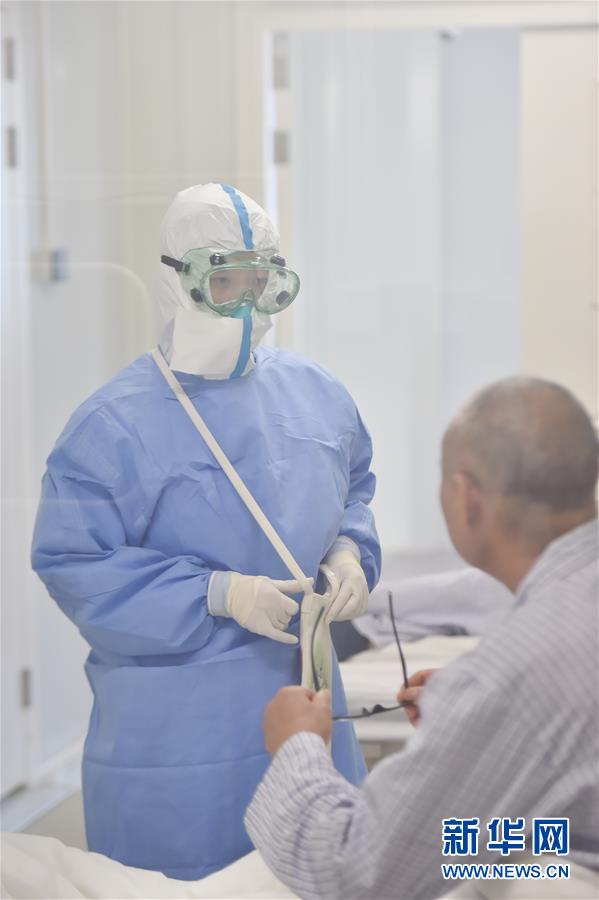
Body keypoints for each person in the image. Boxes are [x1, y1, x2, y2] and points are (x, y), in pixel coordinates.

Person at [31, 183, 381, 880]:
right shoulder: (112, 426)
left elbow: (355, 489)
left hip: (308, 705)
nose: (246, 305)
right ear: (177, 281)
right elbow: (74, 565)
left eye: (262, 282)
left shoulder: (315, 394)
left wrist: (349, 552)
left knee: (318, 872)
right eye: (226, 283)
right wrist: (215, 594)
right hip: (176, 740)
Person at [245, 376, 599, 899]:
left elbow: (356, 871)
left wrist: (297, 746)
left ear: (466, 498)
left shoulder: (518, 668)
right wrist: (476, 727)